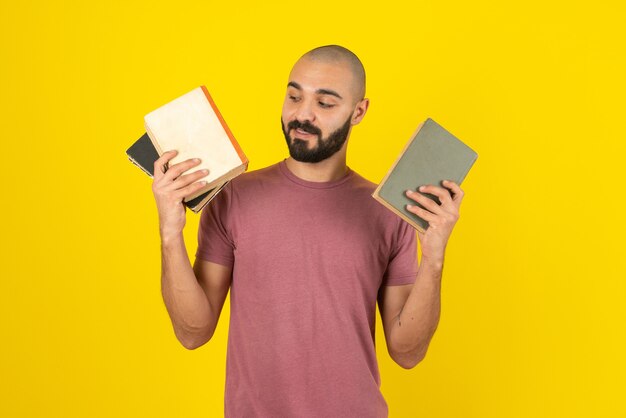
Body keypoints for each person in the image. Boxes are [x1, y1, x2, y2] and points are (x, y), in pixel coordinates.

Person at [151, 45, 465, 418]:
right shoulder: (233, 197)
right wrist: (171, 234)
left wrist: (434, 258)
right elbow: (193, 333)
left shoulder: (388, 214)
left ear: (359, 111)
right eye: (294, 96)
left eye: (325, 103)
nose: (302, 114)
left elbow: (407, 352)